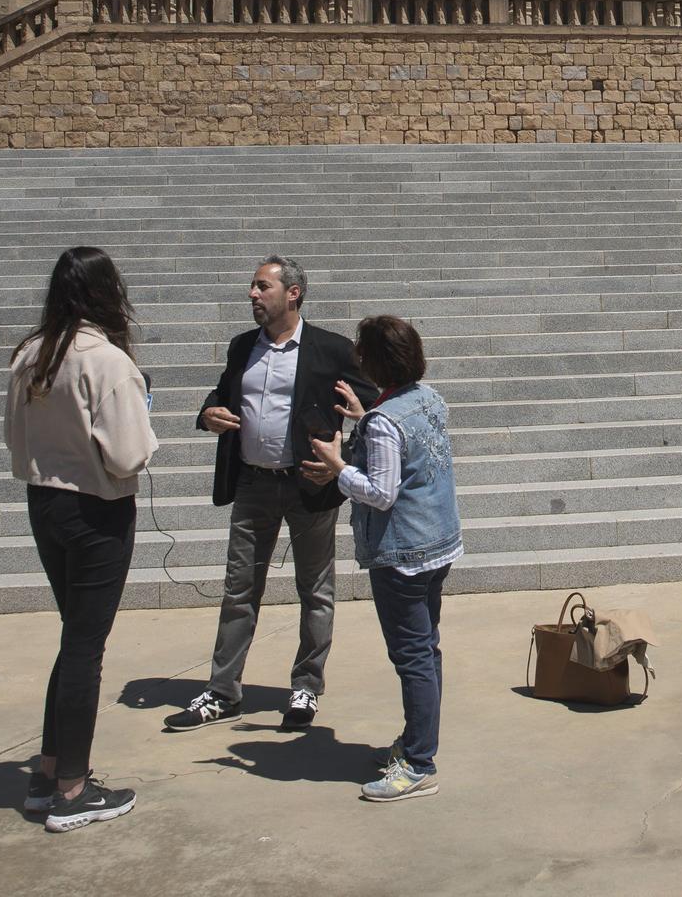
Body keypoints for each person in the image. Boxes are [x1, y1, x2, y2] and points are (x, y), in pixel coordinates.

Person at [163, 256, 377, 733]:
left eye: (262, 287)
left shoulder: (330, 350)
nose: (253, 295)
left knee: (315, 591)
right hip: (253, 484)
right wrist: (208, 414)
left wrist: (344, 461)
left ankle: (306, 687)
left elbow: (375, 412)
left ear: (293, 293)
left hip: (309, 486)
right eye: (253, 287)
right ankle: (223, 692)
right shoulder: (242, 348)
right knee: (239, 589)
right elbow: (219, 396)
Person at [4, 246, 159, 833]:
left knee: (75, 639)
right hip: (96, 510)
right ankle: (72, 787)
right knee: (85, 649)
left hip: (44, 501)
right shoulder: (106, 359)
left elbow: (12, 436)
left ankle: (49, 772)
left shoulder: (31, 353)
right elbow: (128, 453)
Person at [303, 314, 463, 803]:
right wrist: (364, 412)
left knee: (412, 655)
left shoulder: (384, 421)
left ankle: (418, 762)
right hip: (438, 543)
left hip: (402, 555)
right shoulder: (426, 398)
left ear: (373, 361)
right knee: (426, 648)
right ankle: (418, 743)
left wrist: (336, 468)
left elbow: (381, 492)